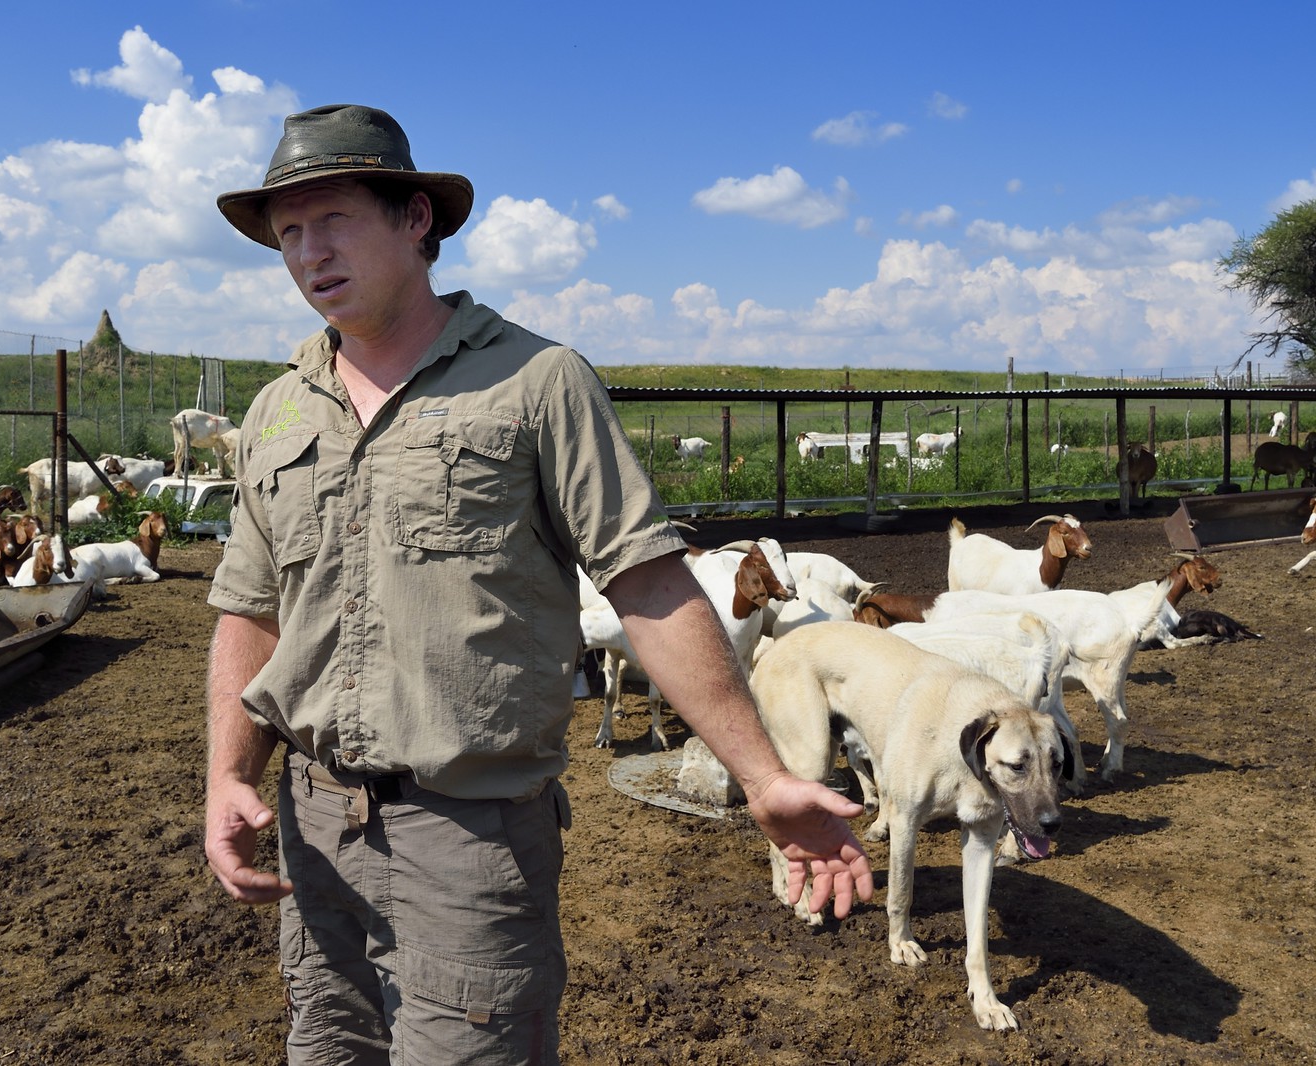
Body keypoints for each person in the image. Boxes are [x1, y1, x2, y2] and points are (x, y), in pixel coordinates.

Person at [203, 103, 872, 1065]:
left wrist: (762, 775)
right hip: (313, 833)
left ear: (414, 219)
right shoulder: (275, 412)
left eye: (335, 220)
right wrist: (231, 775)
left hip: (468, 840)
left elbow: (647, 585)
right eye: (290, 233)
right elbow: (251, 610)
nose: (310, 252)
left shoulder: (536, 383)